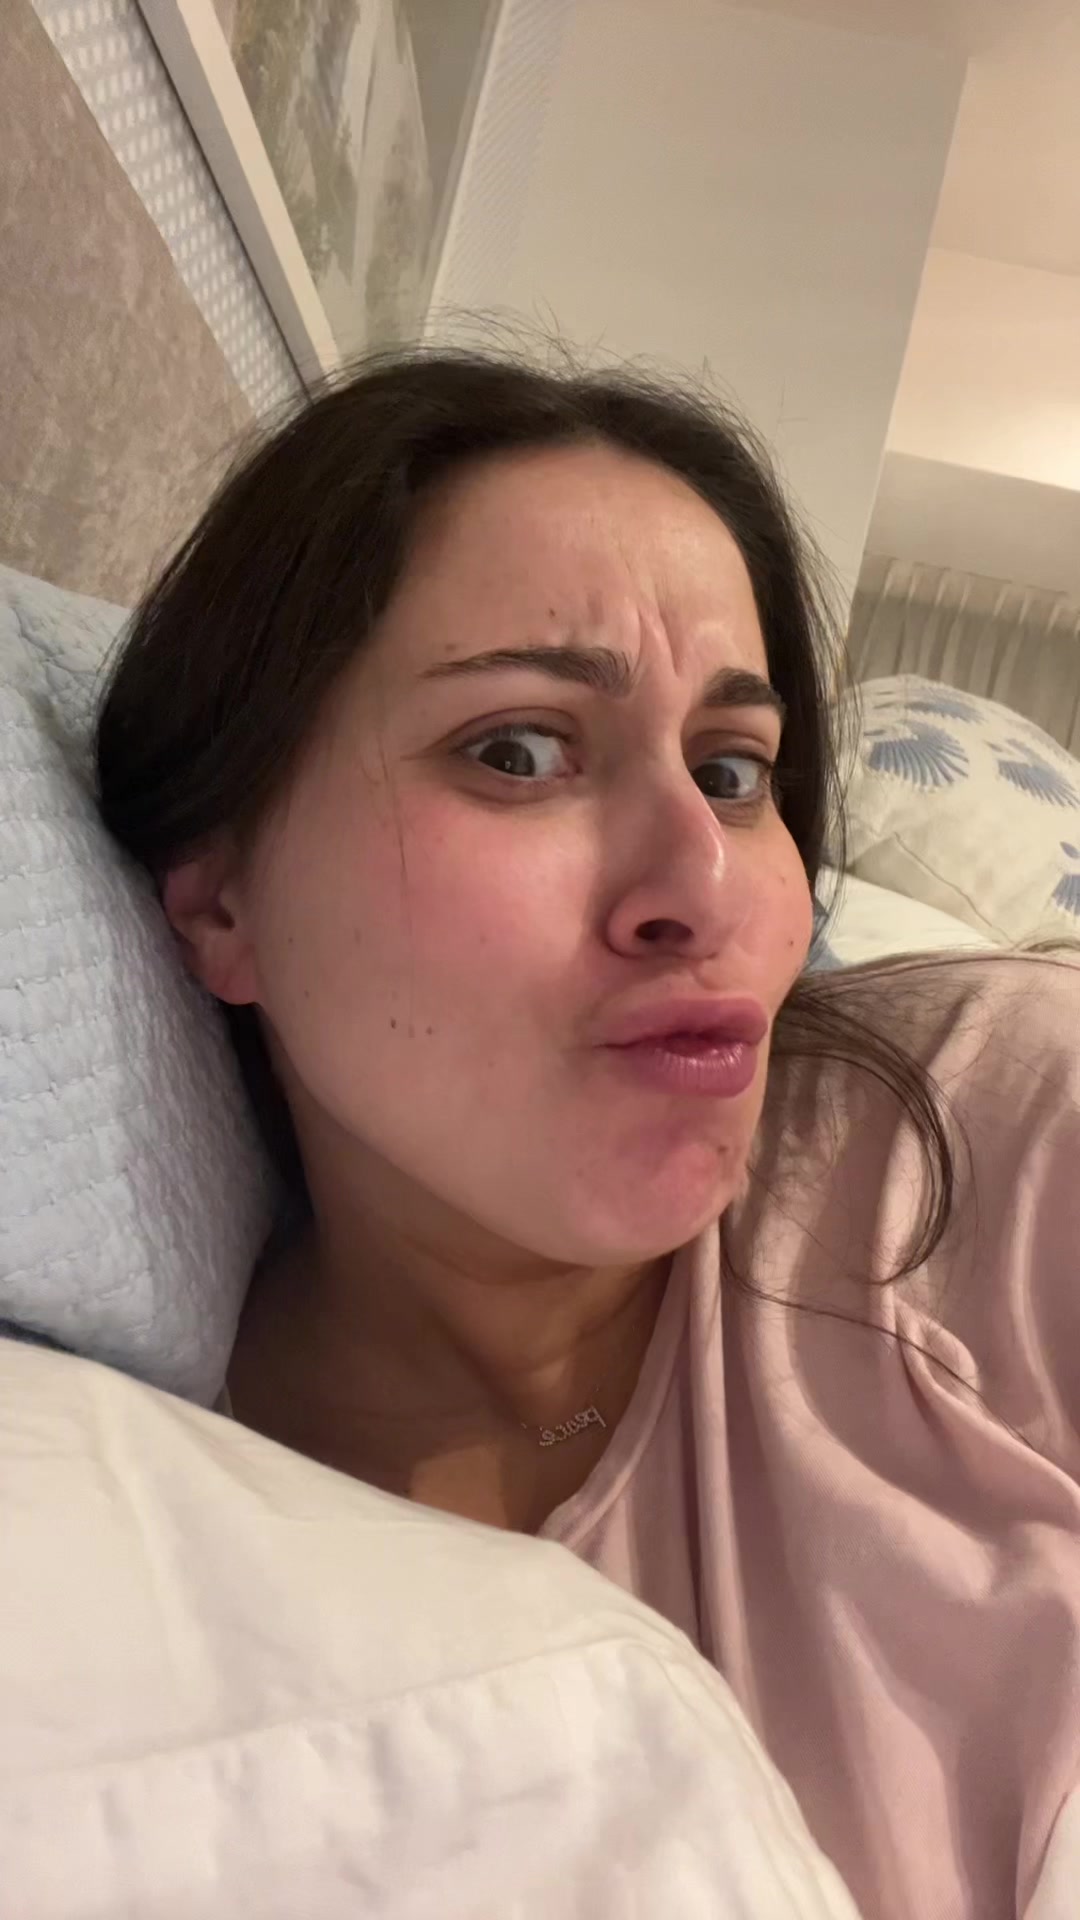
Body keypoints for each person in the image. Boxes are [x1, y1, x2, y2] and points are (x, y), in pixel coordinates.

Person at [94, 349, 1080, 1920]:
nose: (703, 882)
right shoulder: (135, 1568)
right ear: (221, 903)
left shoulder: (998, 1127)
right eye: (519, 750)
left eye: (735, 772)